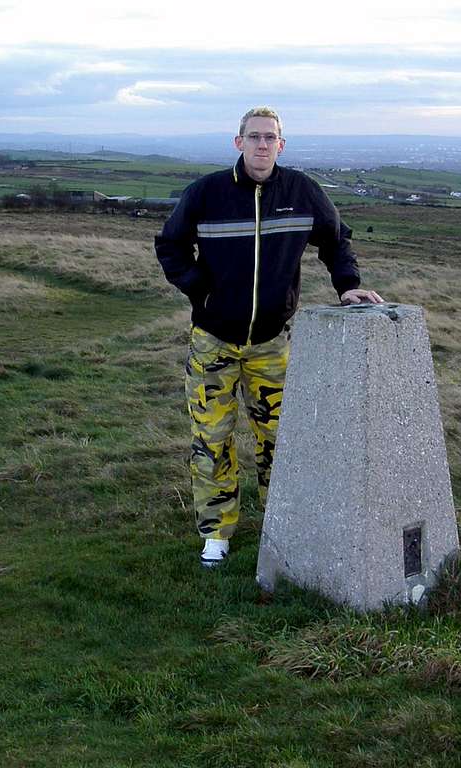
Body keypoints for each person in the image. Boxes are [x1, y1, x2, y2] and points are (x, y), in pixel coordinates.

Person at [155, 106, 383, 567]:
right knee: (212, 438)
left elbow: (337, 239)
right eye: (254, 136)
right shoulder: (207, 193)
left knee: (279, 437)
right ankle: (216, 534)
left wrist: (348, 285)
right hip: (213, 342)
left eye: (270, 138)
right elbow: (170, 244)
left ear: (282, 145)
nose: (262, 145)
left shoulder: (302, 192)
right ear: (237, 142)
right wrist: (201, 289)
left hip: (273, 344)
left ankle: (285, 524)